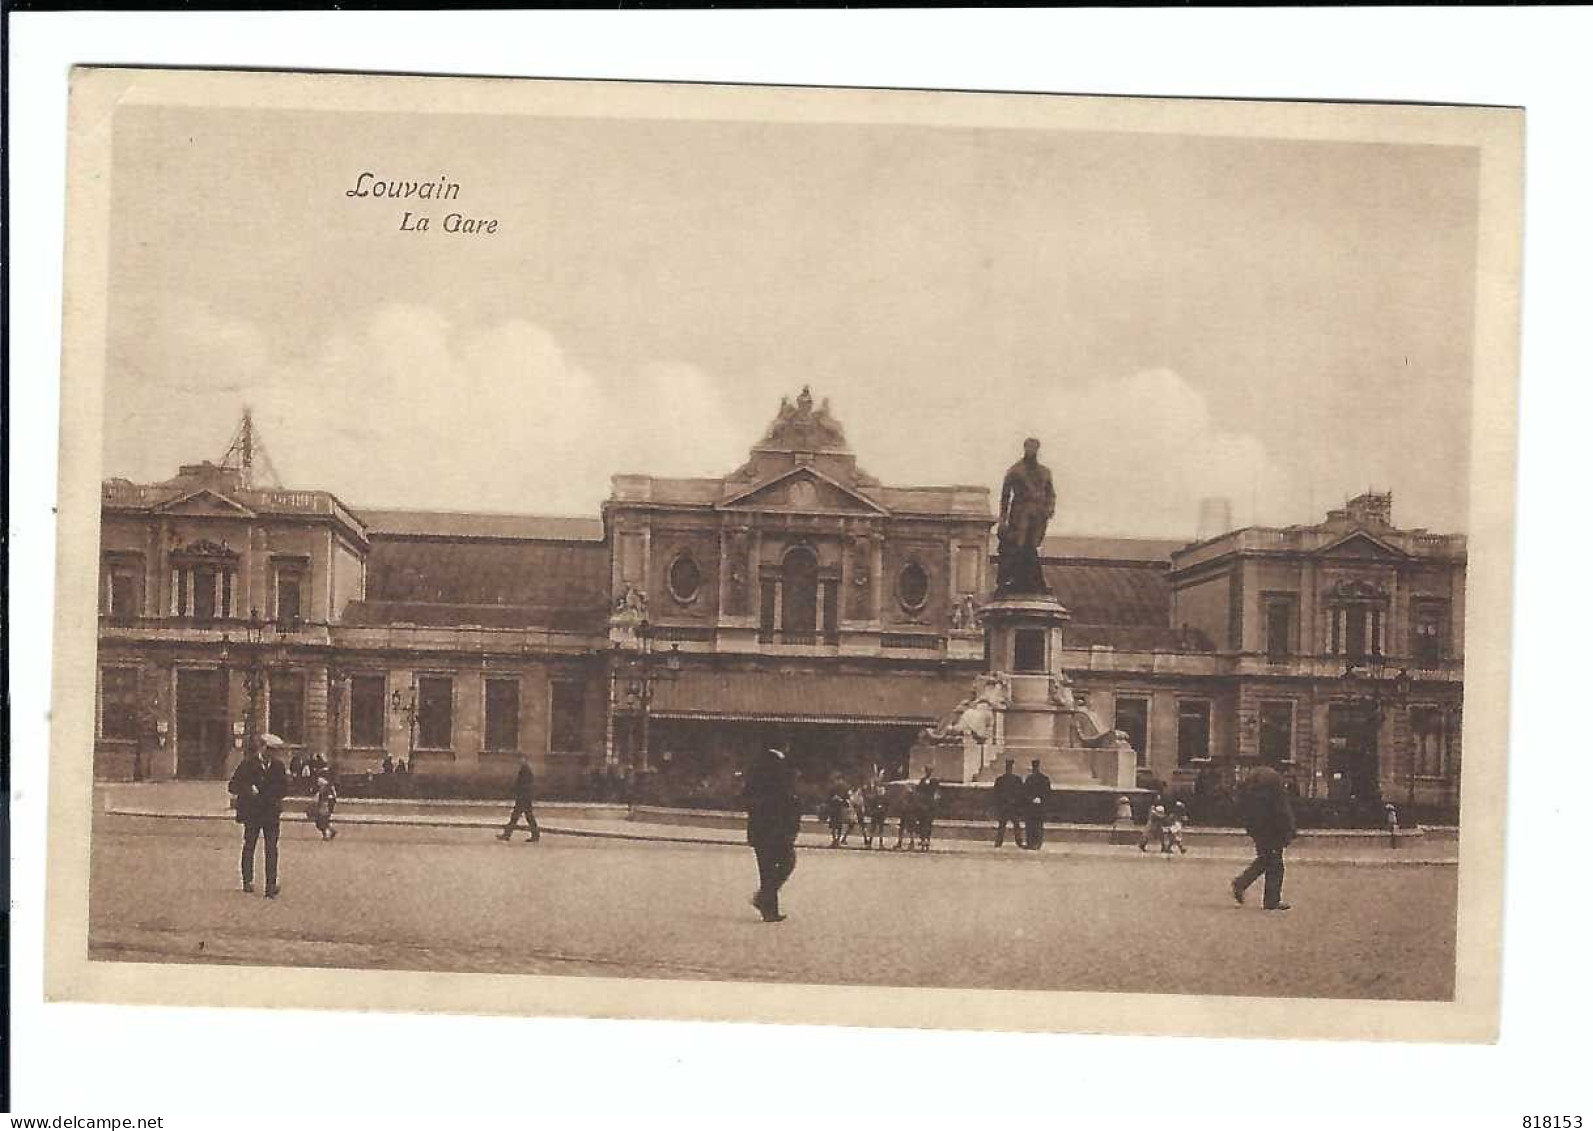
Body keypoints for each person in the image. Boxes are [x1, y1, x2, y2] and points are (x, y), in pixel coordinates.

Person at [228, 733, 291, 897]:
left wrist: (271, 795)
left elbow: (284, 788)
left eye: (275, 751)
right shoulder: (248, 764)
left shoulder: (278, 766)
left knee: (271, 849)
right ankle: (247, 880)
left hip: (270, 813)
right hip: (253, 813)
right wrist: (249, 789)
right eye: (269, 749)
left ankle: (271, 884)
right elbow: (233, 786)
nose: (272, 753)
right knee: (249, 845)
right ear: (262, 747)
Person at [744, 746, 801, 923]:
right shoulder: (779, 767)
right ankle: (765, 900)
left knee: (767, 869)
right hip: (777, 828)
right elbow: (787, 799)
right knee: (787, 862)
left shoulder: (758, 766)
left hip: (760, 828)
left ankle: (768, 907)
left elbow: (747, 797)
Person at [995, 437, 1058, 596]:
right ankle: (1018, 579)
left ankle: (1032, 580)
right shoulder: (1015, 470)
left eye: (1034, 448)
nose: (1032, 450)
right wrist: (1003, 520)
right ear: (1025, 448)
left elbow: (1051, 493)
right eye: (1029, 447)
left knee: (1032, 546)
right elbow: (1005, 496)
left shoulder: (1045, 472)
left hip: (1039, 515)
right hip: (1020, 512)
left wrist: (1050, 508)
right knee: (1019, 546)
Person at [1231, 765, 1296, 911]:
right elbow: (1281, 809)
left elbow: (1241, 803)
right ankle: (1271, 900)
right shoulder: (1274, 780)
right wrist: (1289, 829)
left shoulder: (1254, 777)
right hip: (1272, 829)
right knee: (1276, 865)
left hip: (1257, 827)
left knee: (1265, 859)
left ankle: (1241, 883)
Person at [496, 755, 541, 843]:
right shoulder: (525, 770)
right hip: (524, 797)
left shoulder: (525, 770)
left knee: (518, 817)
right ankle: (534, 835)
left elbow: (525, 785)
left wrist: (519, 793)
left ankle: (507, 834)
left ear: (525, 760)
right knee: (525, 817)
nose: (520, 761)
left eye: (521, 759)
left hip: (523, 798)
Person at [992, 758, 1027, 848]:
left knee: (1005, 825)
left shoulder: (1001, 779)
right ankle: (1017, 841)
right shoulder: (1016, 779)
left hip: (1006, 806)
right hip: (1011, 806)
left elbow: (996, 794)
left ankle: (999, 842)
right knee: (1012, 825)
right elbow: (1020, 793)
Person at [1023, 758, 1051, 849]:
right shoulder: (1044, 778)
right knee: (1037, 825)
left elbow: (1025, 792)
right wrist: (1040, 799)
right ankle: (1036, 843)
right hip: (1038, 805)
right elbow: (1047, 792)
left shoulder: (1029, 779)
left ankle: (1031, 843)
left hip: (1032, 805)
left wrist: (1032, 799)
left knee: (1032, 825)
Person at [311, 774, 338, 840]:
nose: (318, 783)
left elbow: (327, 798)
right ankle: (330, 832)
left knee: (322, 822)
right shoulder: (325, 788)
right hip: (324, 807)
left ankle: (328, 833)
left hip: (324, 807)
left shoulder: (326, 789)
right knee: (323, 822)